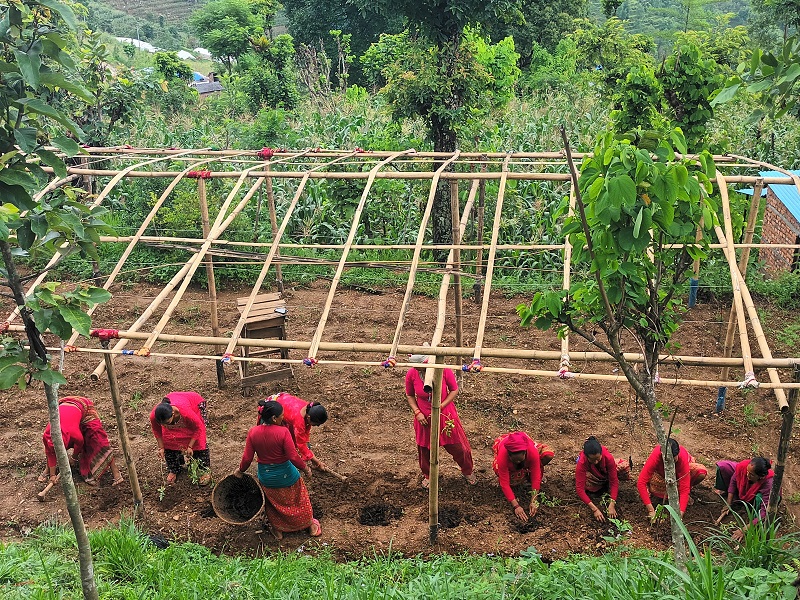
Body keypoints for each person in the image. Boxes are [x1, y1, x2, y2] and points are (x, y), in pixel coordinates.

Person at [234, 399, 321, 540]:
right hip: (287, 475)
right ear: (274, 418)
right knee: (300, 498)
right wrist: (305, 468)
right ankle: (310, 525)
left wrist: (240, 471)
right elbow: (293, 456)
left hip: (267, 478)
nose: (283, 417)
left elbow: (247, 458)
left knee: (274, 504)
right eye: (281, 415)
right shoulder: (283, 432)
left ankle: (278, 530)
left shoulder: (253, 432)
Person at [405, 349, 475, 488]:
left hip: (445, 416)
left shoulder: (443, 370)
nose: (417, 369)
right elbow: (410, 395)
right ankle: (428, 475)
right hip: (424, 419)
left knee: (460, 448)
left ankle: (467, 470)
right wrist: (417, 412)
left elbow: (454, 390)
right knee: (425, 450)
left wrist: (440, 406)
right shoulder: (412, 374)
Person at [41, 396, 123, 487]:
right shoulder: (47, 434)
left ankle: (116, 473)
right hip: (64, 407)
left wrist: (74, 457)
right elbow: (50, 452)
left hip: (84, 407)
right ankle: (48, 470)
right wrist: (53, 475)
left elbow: (80, 443)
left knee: (98, 440)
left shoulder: (73, 433)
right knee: (50, 449)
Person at [150, 391, 211, 486]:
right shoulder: (155, 416)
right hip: (175, 405)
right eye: (161, 424)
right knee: (169, 441)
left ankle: (204, 469)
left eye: (166, 422)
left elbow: (199, 428)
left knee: (198, 442)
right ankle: (174, 469)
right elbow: (157, 431)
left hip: (193, 404)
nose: (163, 426)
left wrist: (190, 446)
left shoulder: (185, 412)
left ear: (173, 414)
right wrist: (161, 448)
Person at [492, 431, 554, 522]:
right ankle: (521, 473)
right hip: (506, 453)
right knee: (512, 481)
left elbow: (536, 476)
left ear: (525, 453)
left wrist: (534, 501)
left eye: (520, 460)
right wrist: (516, 506)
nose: (517, 462)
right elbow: (504, 483)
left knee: (546, 456)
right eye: (515, 461)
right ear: (509, 456)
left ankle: (526, 473)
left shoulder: (532, 451)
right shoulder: (503, 456)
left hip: (526, 448)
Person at [637, 439, 707, 518]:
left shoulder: (682, 458)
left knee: (700, 471)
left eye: (673, 460)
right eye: (667, 461)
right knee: (654, 488)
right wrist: (651, 511)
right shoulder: (657, 454)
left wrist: (679, 516)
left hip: (678, 477)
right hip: (661, 476)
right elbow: (641, 482)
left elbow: (684, 488)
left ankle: (683, 496)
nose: (670, 463)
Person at [264, 392, 328, 471]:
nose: (317, 426)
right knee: (279, 441)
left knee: (294, 438)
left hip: (284, 403)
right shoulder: (299, 421)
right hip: (271, 409)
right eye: (316, 424)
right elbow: (301, 444)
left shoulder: (309, 409)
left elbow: (306, 433)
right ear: (308, 417)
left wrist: (310, 454)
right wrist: (316, 461)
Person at [715, 457, 774, 541]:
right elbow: (733, 481)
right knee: (723, 466)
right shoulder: (744, 467)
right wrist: (728, 503)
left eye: (751, 474)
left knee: (759, 499)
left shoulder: (768, 484)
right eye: (747, 472)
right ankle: (734, 496)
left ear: (761, 476)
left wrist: (744, 529)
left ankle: (754, 515)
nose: (747, 475)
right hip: (745, 491)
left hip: (758, 498)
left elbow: (764, 514)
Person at [575, 436, 631, 522]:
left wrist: (612, 504)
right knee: (588, 485)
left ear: (601, 454)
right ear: (587, 457)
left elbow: (614, 481)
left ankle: (604, 482)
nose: (596, 462)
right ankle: (600, 485)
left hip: (604, 472)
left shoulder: (608, 457)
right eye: (592, 460)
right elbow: (579, 489)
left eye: (598, 459)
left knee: (624, 467)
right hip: (593, 475)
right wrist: (595, 509)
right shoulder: (582, 462)